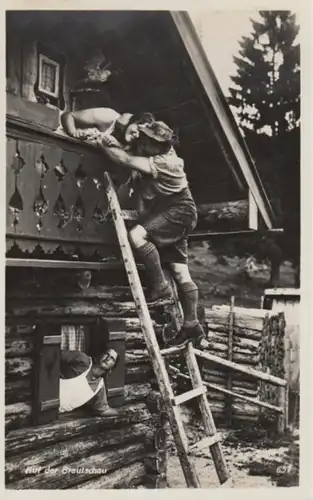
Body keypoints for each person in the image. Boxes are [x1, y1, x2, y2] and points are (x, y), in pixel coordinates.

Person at [61, 108, 209, 349]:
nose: (144, 141)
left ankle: (160, 287)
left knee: (136, 235)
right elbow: (130, 147)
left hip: (178, 211)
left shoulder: (166, 162)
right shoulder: (155, 149)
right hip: (172, 211)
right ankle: (191, 324)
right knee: (181, 273)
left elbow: (124, 160)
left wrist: (101, 142)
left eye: (148, 141)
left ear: (157, 147)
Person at [59, 347, 119, 416]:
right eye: (107, 354)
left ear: (111, 369)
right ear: (101, 356)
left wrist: (122, 412)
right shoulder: (82, 359)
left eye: (112, 358)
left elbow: (103, 410)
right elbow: (55, 355)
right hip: (47, 400)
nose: (108, 358)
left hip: (58, 413)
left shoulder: (99, 387)